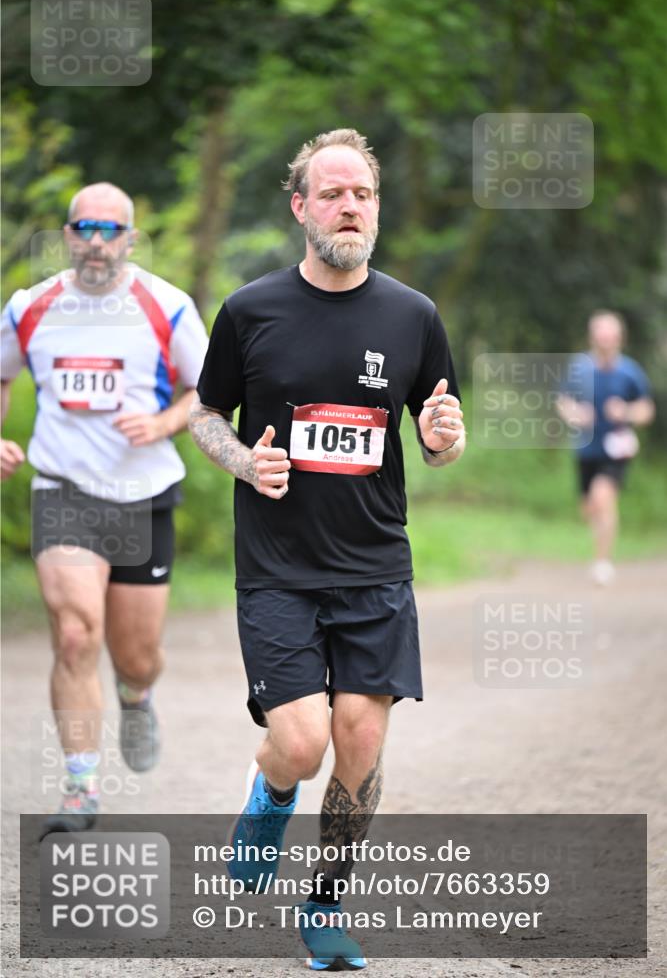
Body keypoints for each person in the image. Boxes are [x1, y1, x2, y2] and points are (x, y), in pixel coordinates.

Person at [189, 128, 465, 970]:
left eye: (364, 195)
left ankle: (326, 908)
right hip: (277, 567)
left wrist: (444, 437)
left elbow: (436, 429)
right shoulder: (249, 311)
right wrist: (243, 458)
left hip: (375, 566)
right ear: (301, 206)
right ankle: (270, 792)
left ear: (375, 208)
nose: (351, 207)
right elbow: (204, 415)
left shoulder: (412, 315)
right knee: (302, 742)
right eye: (334, 193)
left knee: (361, 741)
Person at [1, 182, 208, 836]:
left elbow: (205, 394)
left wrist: (163, 421)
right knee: (73, 632)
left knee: (136, 653)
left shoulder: (167, 307)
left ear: (130, 239)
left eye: (109, 231)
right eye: (83, 228)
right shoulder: (29, 308)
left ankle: (136, 695)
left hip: (143, 496)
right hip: (63, 487)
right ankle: (81, 788)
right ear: (66, 235)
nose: (96, 242)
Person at [557, 310, 654, 586]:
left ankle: (602, 561)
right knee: (589, 507)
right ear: (592, 336)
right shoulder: (579, 368)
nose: (606, 339)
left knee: (604, 497)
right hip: (586, 450)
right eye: (601, 334)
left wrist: (626, 411)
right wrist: (576, 413)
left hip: (616, 450)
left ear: (619, 338)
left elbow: (646, 410)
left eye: (610, 334)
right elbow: (562, 402)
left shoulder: (630, 371)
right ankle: (600, 544)